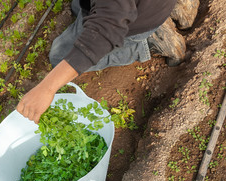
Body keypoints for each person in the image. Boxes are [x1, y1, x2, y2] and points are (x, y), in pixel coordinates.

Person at [16, 0, 179, 124]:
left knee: (59, 56)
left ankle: (148, 43)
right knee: (78, 6)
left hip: (138, 22)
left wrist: (47, 88)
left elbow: (104, 31)